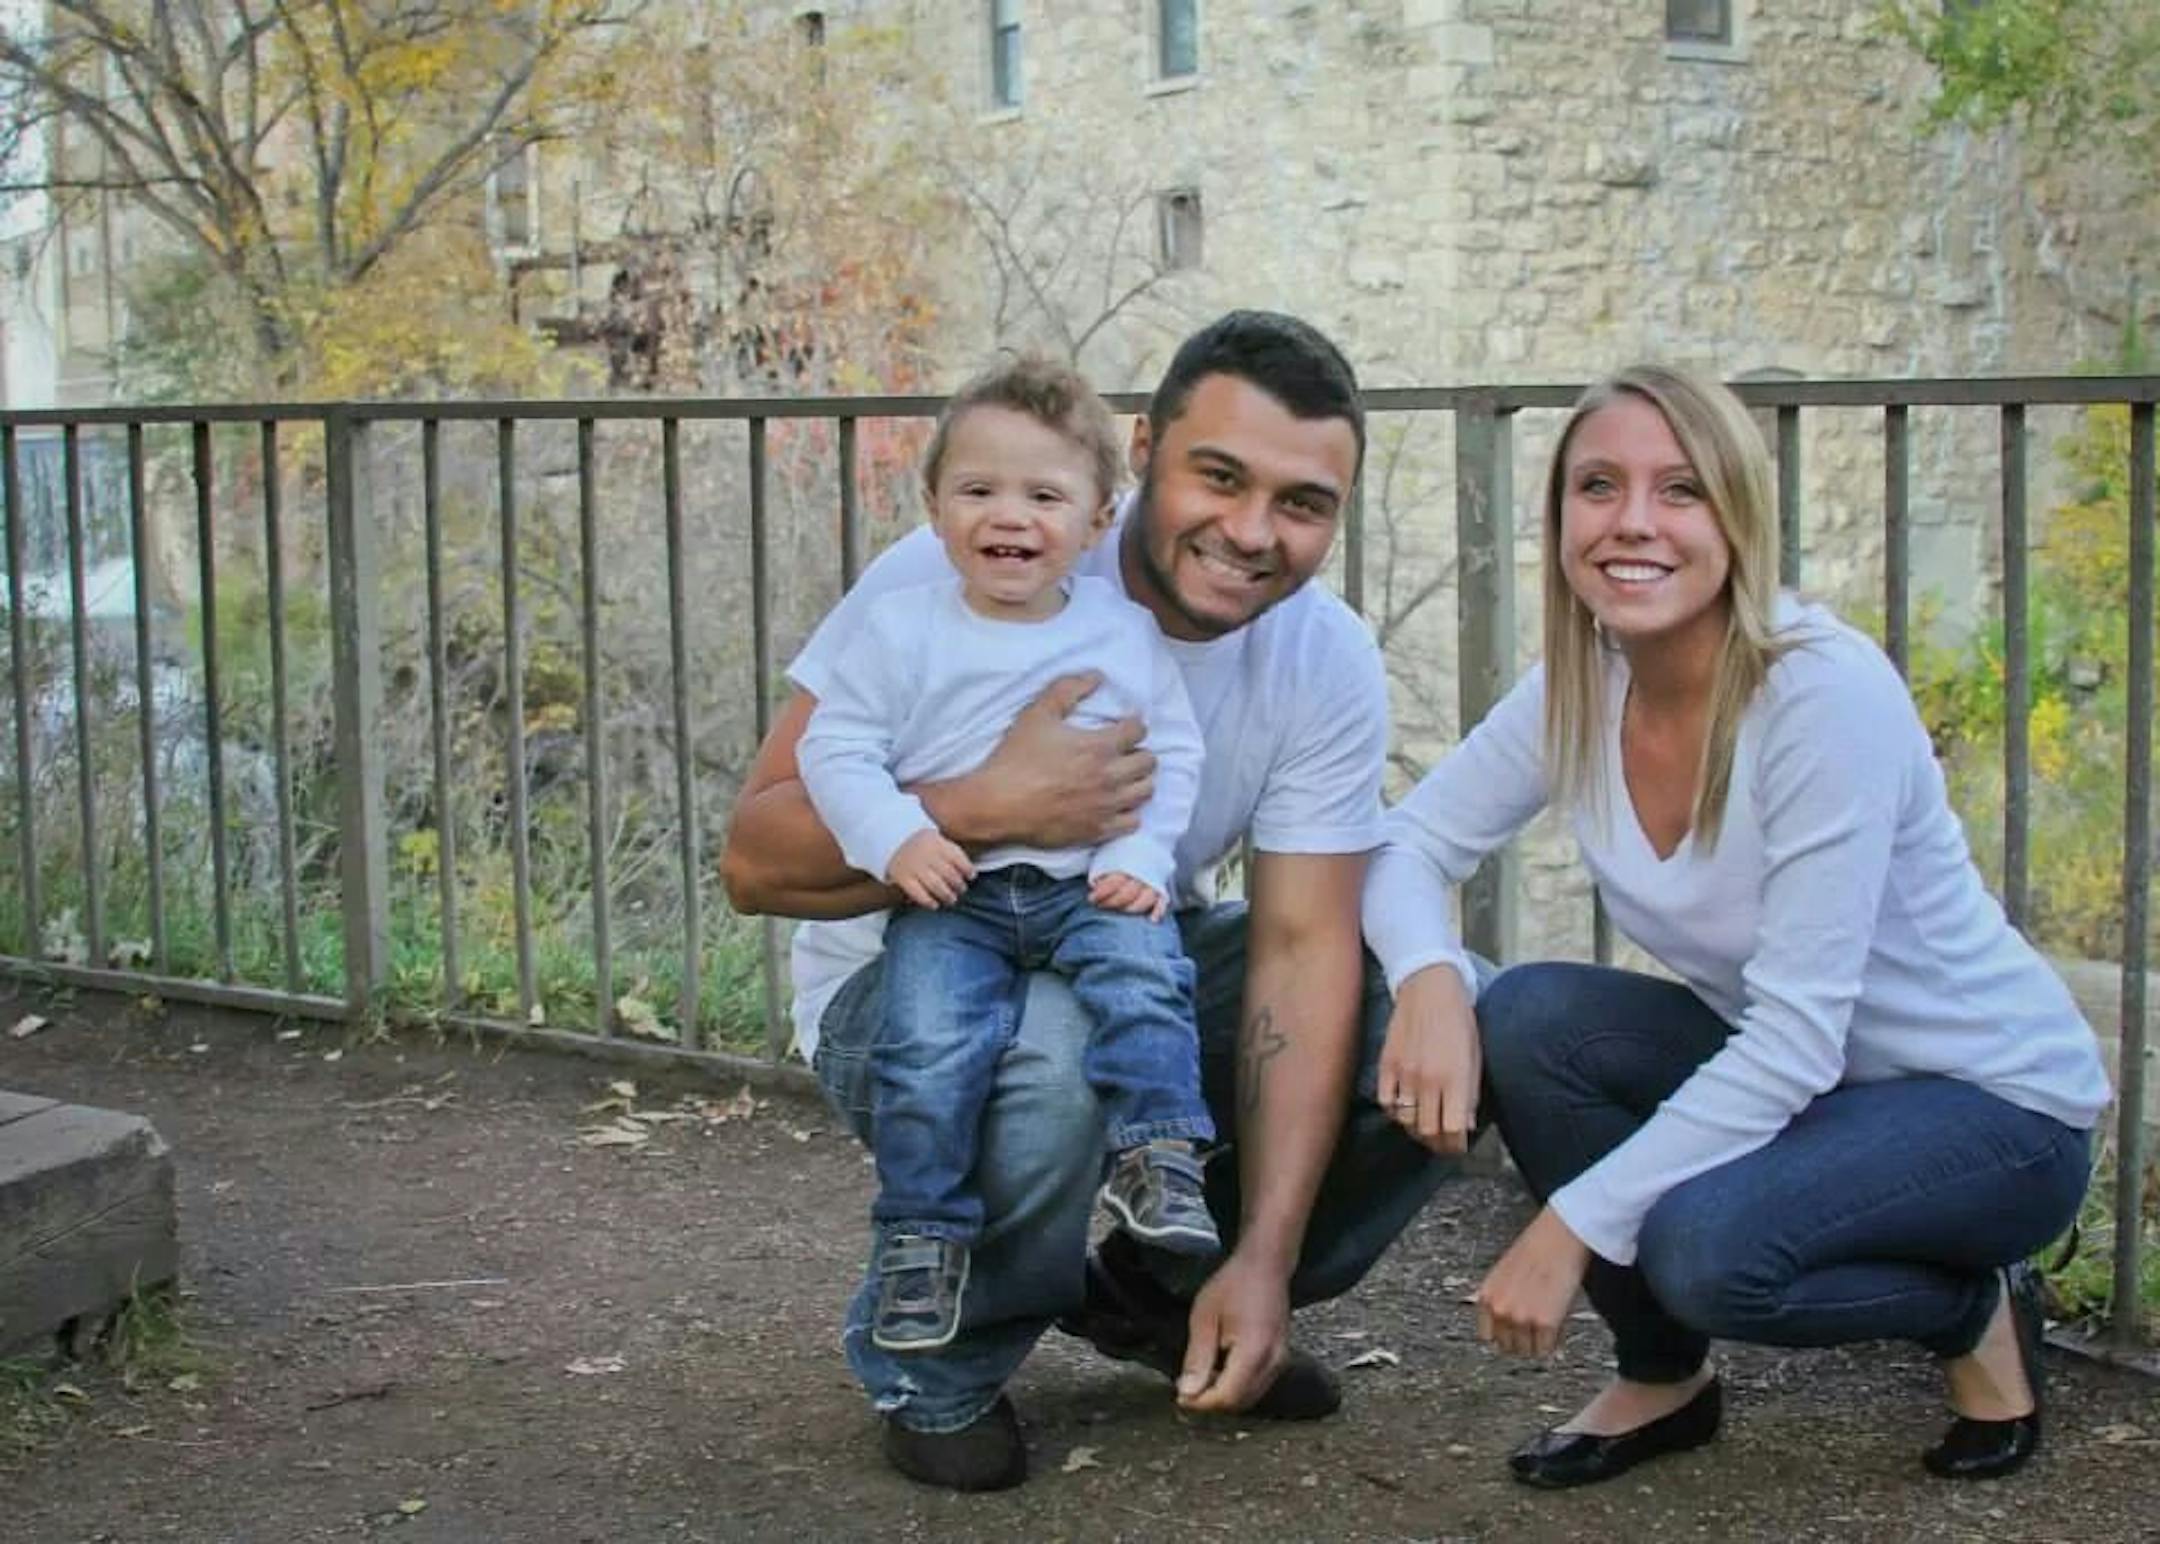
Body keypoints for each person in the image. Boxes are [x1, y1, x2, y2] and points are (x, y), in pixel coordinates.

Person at [722, 311, 1465, 1492]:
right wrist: (983, 800)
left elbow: (1299, 946)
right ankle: (939, 1363)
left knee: (1414, 1015)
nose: (1250, 530)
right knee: (1060, 1047)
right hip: (907, 976)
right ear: (1139, 456)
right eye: (1217, 475)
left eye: (1303, 501)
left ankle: (1167, 1298)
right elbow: (754, 860)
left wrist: (1268, 1258)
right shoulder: (968, 568)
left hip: (1115, 939)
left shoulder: (1323, 658)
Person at [1362, 363, 2109, 1489]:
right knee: (1527, 1015)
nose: (1633, 523)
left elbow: (1796, 1035)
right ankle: (1664, 1376)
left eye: (1681, 490)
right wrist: (1427, 976)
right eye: (1598, 486)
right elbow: (1407, 844)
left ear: (1738, 517)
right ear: (1560, 514)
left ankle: (1973, 1301)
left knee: (1703, 1251)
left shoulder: (1819, 695)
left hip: (1995, 1107)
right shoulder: (1584, 681)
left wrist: (1569, 1221)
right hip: (1819, 1092)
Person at [795, 356, 1219, 1358]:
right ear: (935, 506)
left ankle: (1158, 1154)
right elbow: (834, 747)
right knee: (932, 1048)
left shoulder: (1122, 633)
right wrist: (899, 836)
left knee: (1144, 977)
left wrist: (1145, 854)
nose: (1010, 516)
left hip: (1086, 884)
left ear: (1098, 514)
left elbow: (1175, 746)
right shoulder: (902, 630)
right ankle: (920, 1235)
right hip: (956, 892)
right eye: (978, 490)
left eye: (1044, 494)